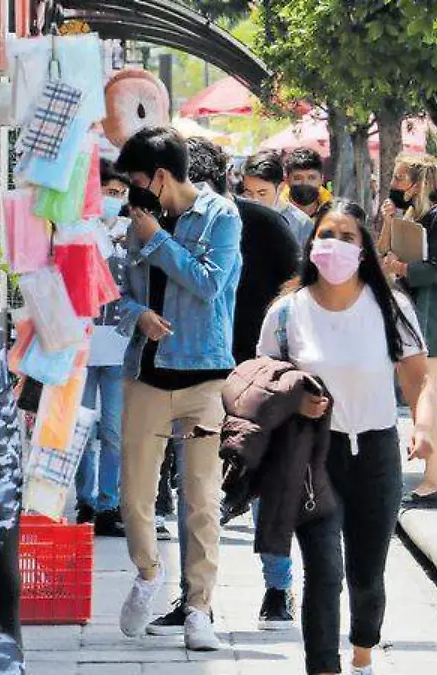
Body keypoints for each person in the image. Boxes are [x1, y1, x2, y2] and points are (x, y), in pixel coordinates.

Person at [257, 199, 437, 675]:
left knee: (365, 576)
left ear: (364, 250)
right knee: (323, 573)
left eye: (346, 237)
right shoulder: (286, 312)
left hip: (375, 453)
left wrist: (422, 426)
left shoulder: (389, 307)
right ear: (311, 243)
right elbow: (262, 384)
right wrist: (296, 402)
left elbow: (418, 380)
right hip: (311, 456)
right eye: (326, 235)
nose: (334, 246)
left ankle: (362, 653)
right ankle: (323, 667)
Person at [145, 137, 303, 636]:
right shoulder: (168, 225)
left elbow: (298, 291)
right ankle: (196, 601)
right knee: (196, 489)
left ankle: (278, 589)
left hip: (260, 376)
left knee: (265, 485)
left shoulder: (264, 225)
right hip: (197, 374)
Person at [113, 127, 242, 650]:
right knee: (135, 494)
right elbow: (116, 293)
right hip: (147, 373)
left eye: (139, 180)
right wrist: (136, 313)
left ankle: (198, 609)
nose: (134, 192)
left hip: (204, 374)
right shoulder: (136, 225)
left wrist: (159, 241)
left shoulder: (221, 216)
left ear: (161, 176)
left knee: (201, 498)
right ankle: (148, 575)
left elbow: (210, 283)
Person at [380, 153, 437, 508]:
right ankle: (435, 477)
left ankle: (436, 479)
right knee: (419, 399)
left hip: (431, 315)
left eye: (400, 178)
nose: (395, 184)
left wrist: (403, 268)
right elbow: (385, 252)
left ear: (419, 182)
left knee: (428, 399)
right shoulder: (413, 216)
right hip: (412, 314)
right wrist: (389, 224)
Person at [74, 159, 133, 537]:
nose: (114, 199)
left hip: (119, 346)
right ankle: (85, 500)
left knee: (113, 430)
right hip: (81, 346)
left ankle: (109, 504)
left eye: (120, 194)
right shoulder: (80, 230)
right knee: (80, 429)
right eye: (109, 192)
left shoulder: (132, 232)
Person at [242, 148, 316, 247]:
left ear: (280, 187)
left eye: (262, 193)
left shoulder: (301, 224)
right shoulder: (236, 219)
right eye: (249, 193)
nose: (255, 200)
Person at [284, 147, 333, 220]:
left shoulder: (333, 215)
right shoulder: (275, 214)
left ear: (321, 179)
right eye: (298, 178)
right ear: (287, 180)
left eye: (311, 178)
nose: (305, 183)